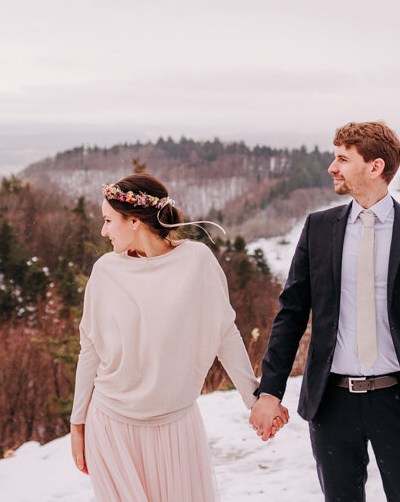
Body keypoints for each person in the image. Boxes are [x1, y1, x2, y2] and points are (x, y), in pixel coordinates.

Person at [249, 121, 400, 501]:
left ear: (375, 167)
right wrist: (270, 391)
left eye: (343, 159)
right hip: (333, 402)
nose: (333, 167)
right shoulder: (318, 228)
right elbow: (291, 314)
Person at [69, 173, 288, 501]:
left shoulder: (196, 261)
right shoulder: (105, 271)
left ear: (134, 222)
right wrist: (77, 425)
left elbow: (224, 332)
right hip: (111, 425)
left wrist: (253, 399)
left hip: (175, 428)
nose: (103, 230)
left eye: (108, 220)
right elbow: (90, 349)